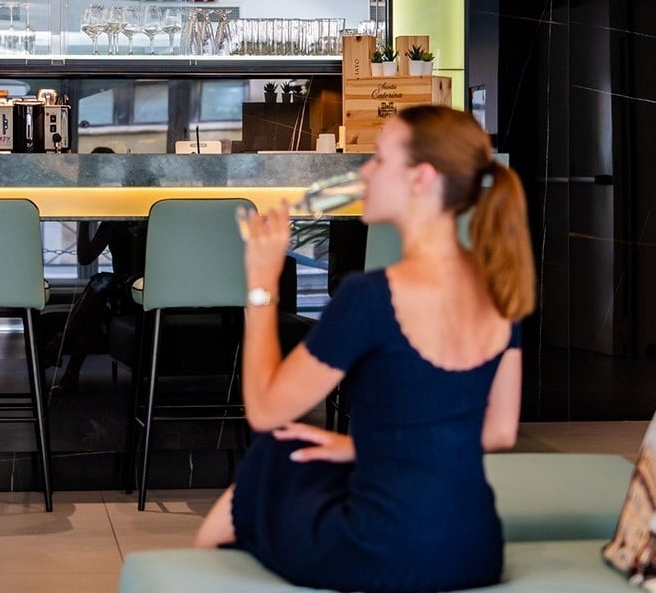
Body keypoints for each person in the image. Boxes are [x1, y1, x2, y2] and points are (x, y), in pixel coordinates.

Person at [193, 104, 536, 593]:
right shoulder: (502, 290)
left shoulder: (371, 297)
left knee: (277, 448)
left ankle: (205, 566)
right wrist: (360, 446)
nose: (364, 173)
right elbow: (499, 431)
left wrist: (261, 281)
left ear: (421, 178)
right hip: (475, 548)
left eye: (377, 159)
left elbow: (266, 410)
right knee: (308, 455)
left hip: (382, 549)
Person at [50, 147, 147, 392]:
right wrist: (85, 218)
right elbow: (85, 257)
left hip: (142, 293)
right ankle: (70, 374)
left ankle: (60, 346)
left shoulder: (150, 220)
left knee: (101, 283)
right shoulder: (114, 222)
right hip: (120, 293)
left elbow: (138, 271)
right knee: (98, 301)